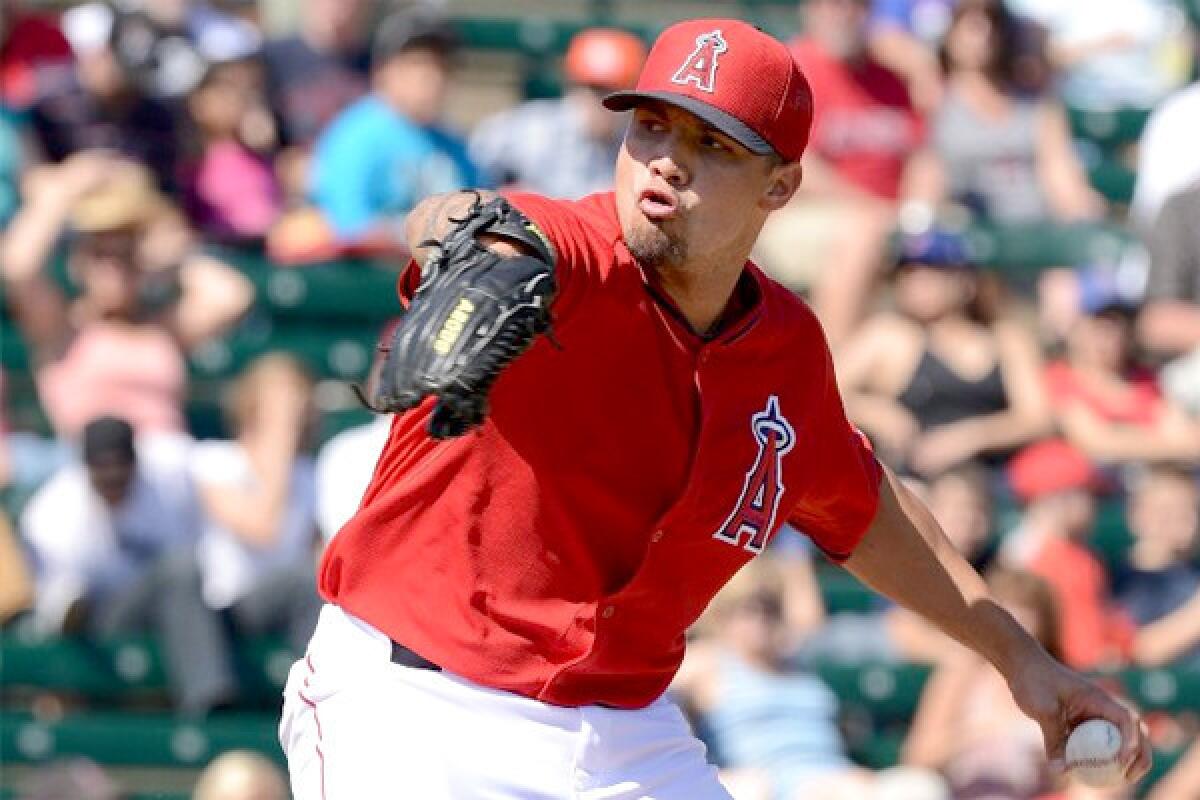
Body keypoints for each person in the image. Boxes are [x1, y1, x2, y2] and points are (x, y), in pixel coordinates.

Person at [279, 18, 1150, 799]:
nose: (666, 155)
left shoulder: (785, 348)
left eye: (713, 141)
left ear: (780, 186)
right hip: (418, 708)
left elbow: (863, 509)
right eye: (650, 123)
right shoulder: (563, 255)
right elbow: (474, 217)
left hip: (624, 731)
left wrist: (1020, 661)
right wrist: (464, 249)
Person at [0, 155, 254, 444]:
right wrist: (67, 189)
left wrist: (174, 256)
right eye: (100, 255)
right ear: (79, 263)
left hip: (165, 464)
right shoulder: (61, 330)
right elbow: (18, 267)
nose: (114, 268)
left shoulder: (163, 330)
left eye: (125, 255)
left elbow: (232, 296)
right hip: (96, 469)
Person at [672, 556, 948, 800]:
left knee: (919, 787)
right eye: (747, 608)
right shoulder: (708, 663)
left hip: (834, 777)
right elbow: (653, 692)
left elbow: (892, 637)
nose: (759, 620)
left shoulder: (801, 659)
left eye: (770, 608)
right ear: (723, 613)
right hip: (762, 784)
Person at [19, 416, 235, 714]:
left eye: (119, 467)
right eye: (102, 469)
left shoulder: (164, 486)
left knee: (181, 571)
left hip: (161, 607)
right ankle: (207, 695)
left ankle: (209, 700)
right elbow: (56, 608)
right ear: (86, 468)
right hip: (99, 621)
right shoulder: (55, 512)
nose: (112, 477)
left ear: (134, 463)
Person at [835, 226, 1050, 476]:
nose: (917, 281)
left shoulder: (1006, 339)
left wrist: (967, 438)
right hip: (917, 479)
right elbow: (819, 393)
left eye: (932, 270)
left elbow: (1037, 417)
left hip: (991, 480)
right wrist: (877, 412)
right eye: (909, 271)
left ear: (966, 280)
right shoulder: (890, 336)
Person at [308, 6, 479, 245]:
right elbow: (349, 230)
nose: (432, 77)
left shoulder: (455, 144)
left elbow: (483, 224)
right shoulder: (354, 136)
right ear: (383, 71)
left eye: (441, 65)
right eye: (417, 63)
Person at [191, 354, 323, 656]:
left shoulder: (306, 472)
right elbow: (264, 529)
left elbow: (318, 553)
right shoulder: (214, 460)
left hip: (291, 603)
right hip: (229, 607)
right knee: (303, 582)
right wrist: (279, 438)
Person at [929, 0, 1102, 224]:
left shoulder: (1037, 105)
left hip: (1037, 234)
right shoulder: (931, 103)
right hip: (966, 241)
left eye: (991, 20)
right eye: (969, 23)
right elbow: (927, 183)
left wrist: (1082, 217)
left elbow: (1062, 179)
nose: (983, 33)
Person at [902, 566, 1065, 799]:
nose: (1017, 621)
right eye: (1007, 610)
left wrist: (1048, 764)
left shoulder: (1056, 683)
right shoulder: (962, 672)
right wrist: (978, 735)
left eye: (1027, 611)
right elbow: (918, 755)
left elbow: (1069, 775)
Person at [469, 27, 648, 199]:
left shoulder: (633, 149)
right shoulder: (534, 128)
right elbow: (474, 162)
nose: (601, 103)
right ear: (573, 86)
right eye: (594, 90)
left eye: (613, 92)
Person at [1115, 463, 1200, 668]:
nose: (1177, 519)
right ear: (1135, 515)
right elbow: (1138, 650)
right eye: (1164, 509)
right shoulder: (1115, 579)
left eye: (1188, 510)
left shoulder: (1193, 574)